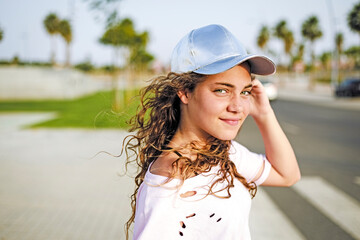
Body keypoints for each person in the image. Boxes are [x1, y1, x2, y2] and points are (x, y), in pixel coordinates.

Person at [123, 24, 301, 240]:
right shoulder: (168, 186)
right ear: (184, 91)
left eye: (245, 91)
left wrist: (263, 114)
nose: (238, 106)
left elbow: (287, 175)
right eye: (222, 90)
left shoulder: (224, 152)